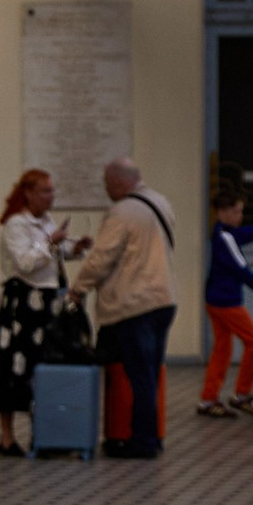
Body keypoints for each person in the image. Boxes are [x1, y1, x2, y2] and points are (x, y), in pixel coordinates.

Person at [67, 156, 179, 460]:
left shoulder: (122, 212)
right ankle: (151, 436)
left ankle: (142, 442)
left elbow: (102, 257)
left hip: (135, 304)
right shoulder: (161, 202)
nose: (106, 189)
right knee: (150, 374)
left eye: (107, 183)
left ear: (119, 181)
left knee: (139, 376)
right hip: (164, 299)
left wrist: (78, 289)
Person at [0, 168, 68, 459]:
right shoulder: (16, 225)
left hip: (46, 301)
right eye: (46, 191)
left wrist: (73, 248)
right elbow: (25, 262)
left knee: (42, 366)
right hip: (22, 304)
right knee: (13, 367)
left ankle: (43, 432)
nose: (51, 196)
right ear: (29, 193)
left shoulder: (46, 221)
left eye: (52, 190)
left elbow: (52, 255)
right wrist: (51, 243)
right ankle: (7, 437)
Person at [198, 185, 253, 419]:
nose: (239, 216)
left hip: (216, 299)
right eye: (236, 211)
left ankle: (208, 399)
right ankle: (242, 394)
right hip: (225, 301)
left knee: (223, 348)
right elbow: (241, 269)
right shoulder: (224, 237)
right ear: (222, 212)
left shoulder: (225, 234)